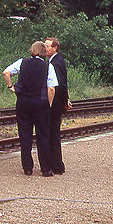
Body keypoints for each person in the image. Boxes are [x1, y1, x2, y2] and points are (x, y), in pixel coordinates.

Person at [2, 41, 58, 176]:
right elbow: (51, 88)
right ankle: (45, 169)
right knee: (43, 136)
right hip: (40, 103)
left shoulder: (22, 62)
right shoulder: (48, 66)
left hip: (23, 103)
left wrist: (11, 87)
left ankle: (27, 167)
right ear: (43, 52)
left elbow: (6, 73)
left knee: (25, 135)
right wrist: (48, 104)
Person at [44, 37, 71, 175]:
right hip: (57, 101)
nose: (45, 48)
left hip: (54, 102)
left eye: (47, 46)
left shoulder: (55, 63)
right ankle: (56, 165)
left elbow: (60, 84)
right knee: (53, 133)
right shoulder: (56, 60)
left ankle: (56, 165)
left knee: (53, 133)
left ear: (54, 48)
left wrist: (63, 100)